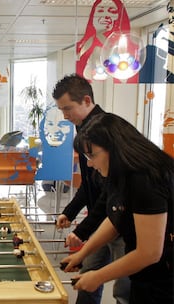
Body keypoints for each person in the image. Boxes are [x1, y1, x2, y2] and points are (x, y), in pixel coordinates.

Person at [61, 113, 173, 304]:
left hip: (165, 281)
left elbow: (150, 253)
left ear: (114, 148)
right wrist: (82, 253)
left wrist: (98, 277)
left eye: (91, 155)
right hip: (144, 277)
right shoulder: (119, 174)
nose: (89, 163)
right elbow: (115, 219)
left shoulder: (144, 179)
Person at [52, 73, 130, 304]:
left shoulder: (106, 131)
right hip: (104, 219)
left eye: (68, 109)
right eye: (61, 110)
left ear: (87, 100)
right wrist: (71, 211)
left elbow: (109, 193)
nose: (65, 116)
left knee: (124, 290)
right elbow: (91, 184)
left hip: (123, 222)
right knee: (87, 276)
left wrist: (82, 231)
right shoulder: (84, 129)